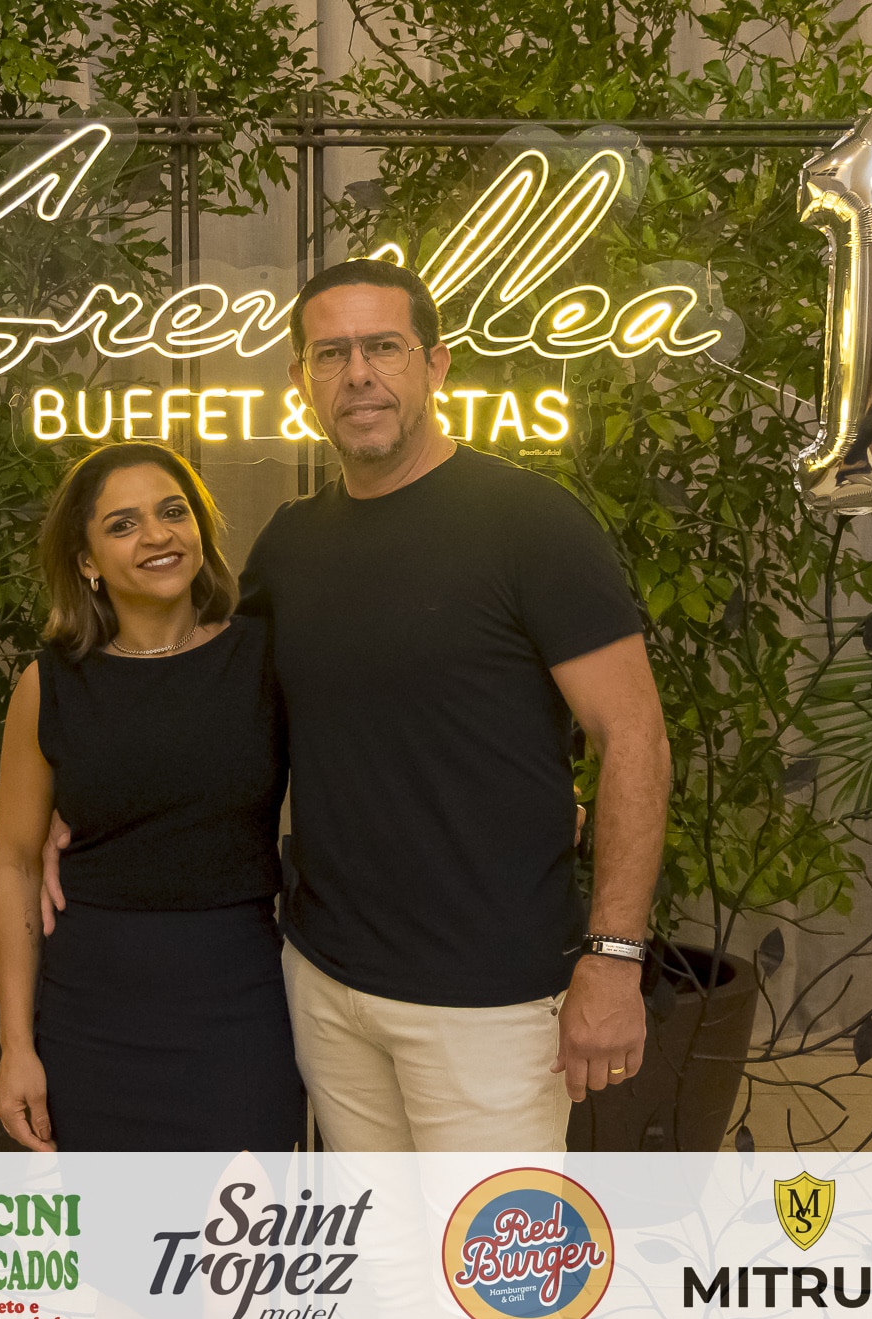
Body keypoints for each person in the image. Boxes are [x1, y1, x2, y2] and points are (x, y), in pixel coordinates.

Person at [46, 258, 671, 1155]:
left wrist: (613, 958)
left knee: (488, 1248)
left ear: (436, 364)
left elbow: (634, 735)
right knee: (369, 1241)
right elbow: (210, 701)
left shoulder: (530, 522)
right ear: (302, 382)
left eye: (383, 346)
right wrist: (86, 797)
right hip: (325, 982)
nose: (359, 374)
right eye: (331, 354)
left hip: (488, 997)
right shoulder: (291, 543)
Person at [0, 440, 306, 1159]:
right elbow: (14, 863)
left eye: (173, 512)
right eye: (123, 524)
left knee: (237, 1229)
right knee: (119, 1232)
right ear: (87, 561)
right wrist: (15, 1046)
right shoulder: (49, 684)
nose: (158, 535)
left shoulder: (264, 658)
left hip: (239, 1008)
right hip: (90, 1018)